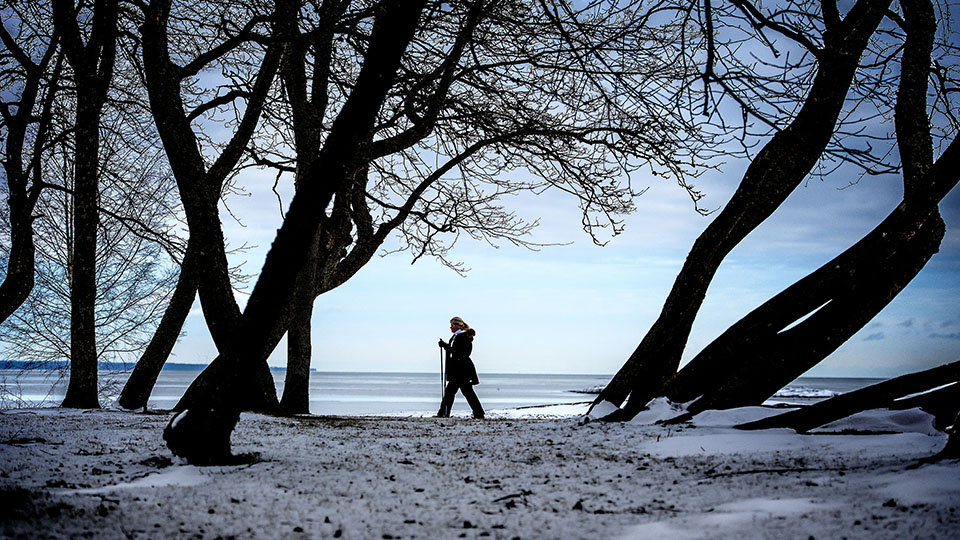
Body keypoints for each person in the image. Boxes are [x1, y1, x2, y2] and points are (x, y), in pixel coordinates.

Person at [436, 316, 485, 419]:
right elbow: (455, 350)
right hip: (458, 369)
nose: (450, 327)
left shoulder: (463, 337)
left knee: (459, 392)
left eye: (452, 325)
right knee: (460, 392)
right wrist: (445, 345)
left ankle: (444, 413)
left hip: (461, 369)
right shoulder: (456, 336)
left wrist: (446, 347)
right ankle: (444, 413)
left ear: (457, 325)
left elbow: (462, 352)